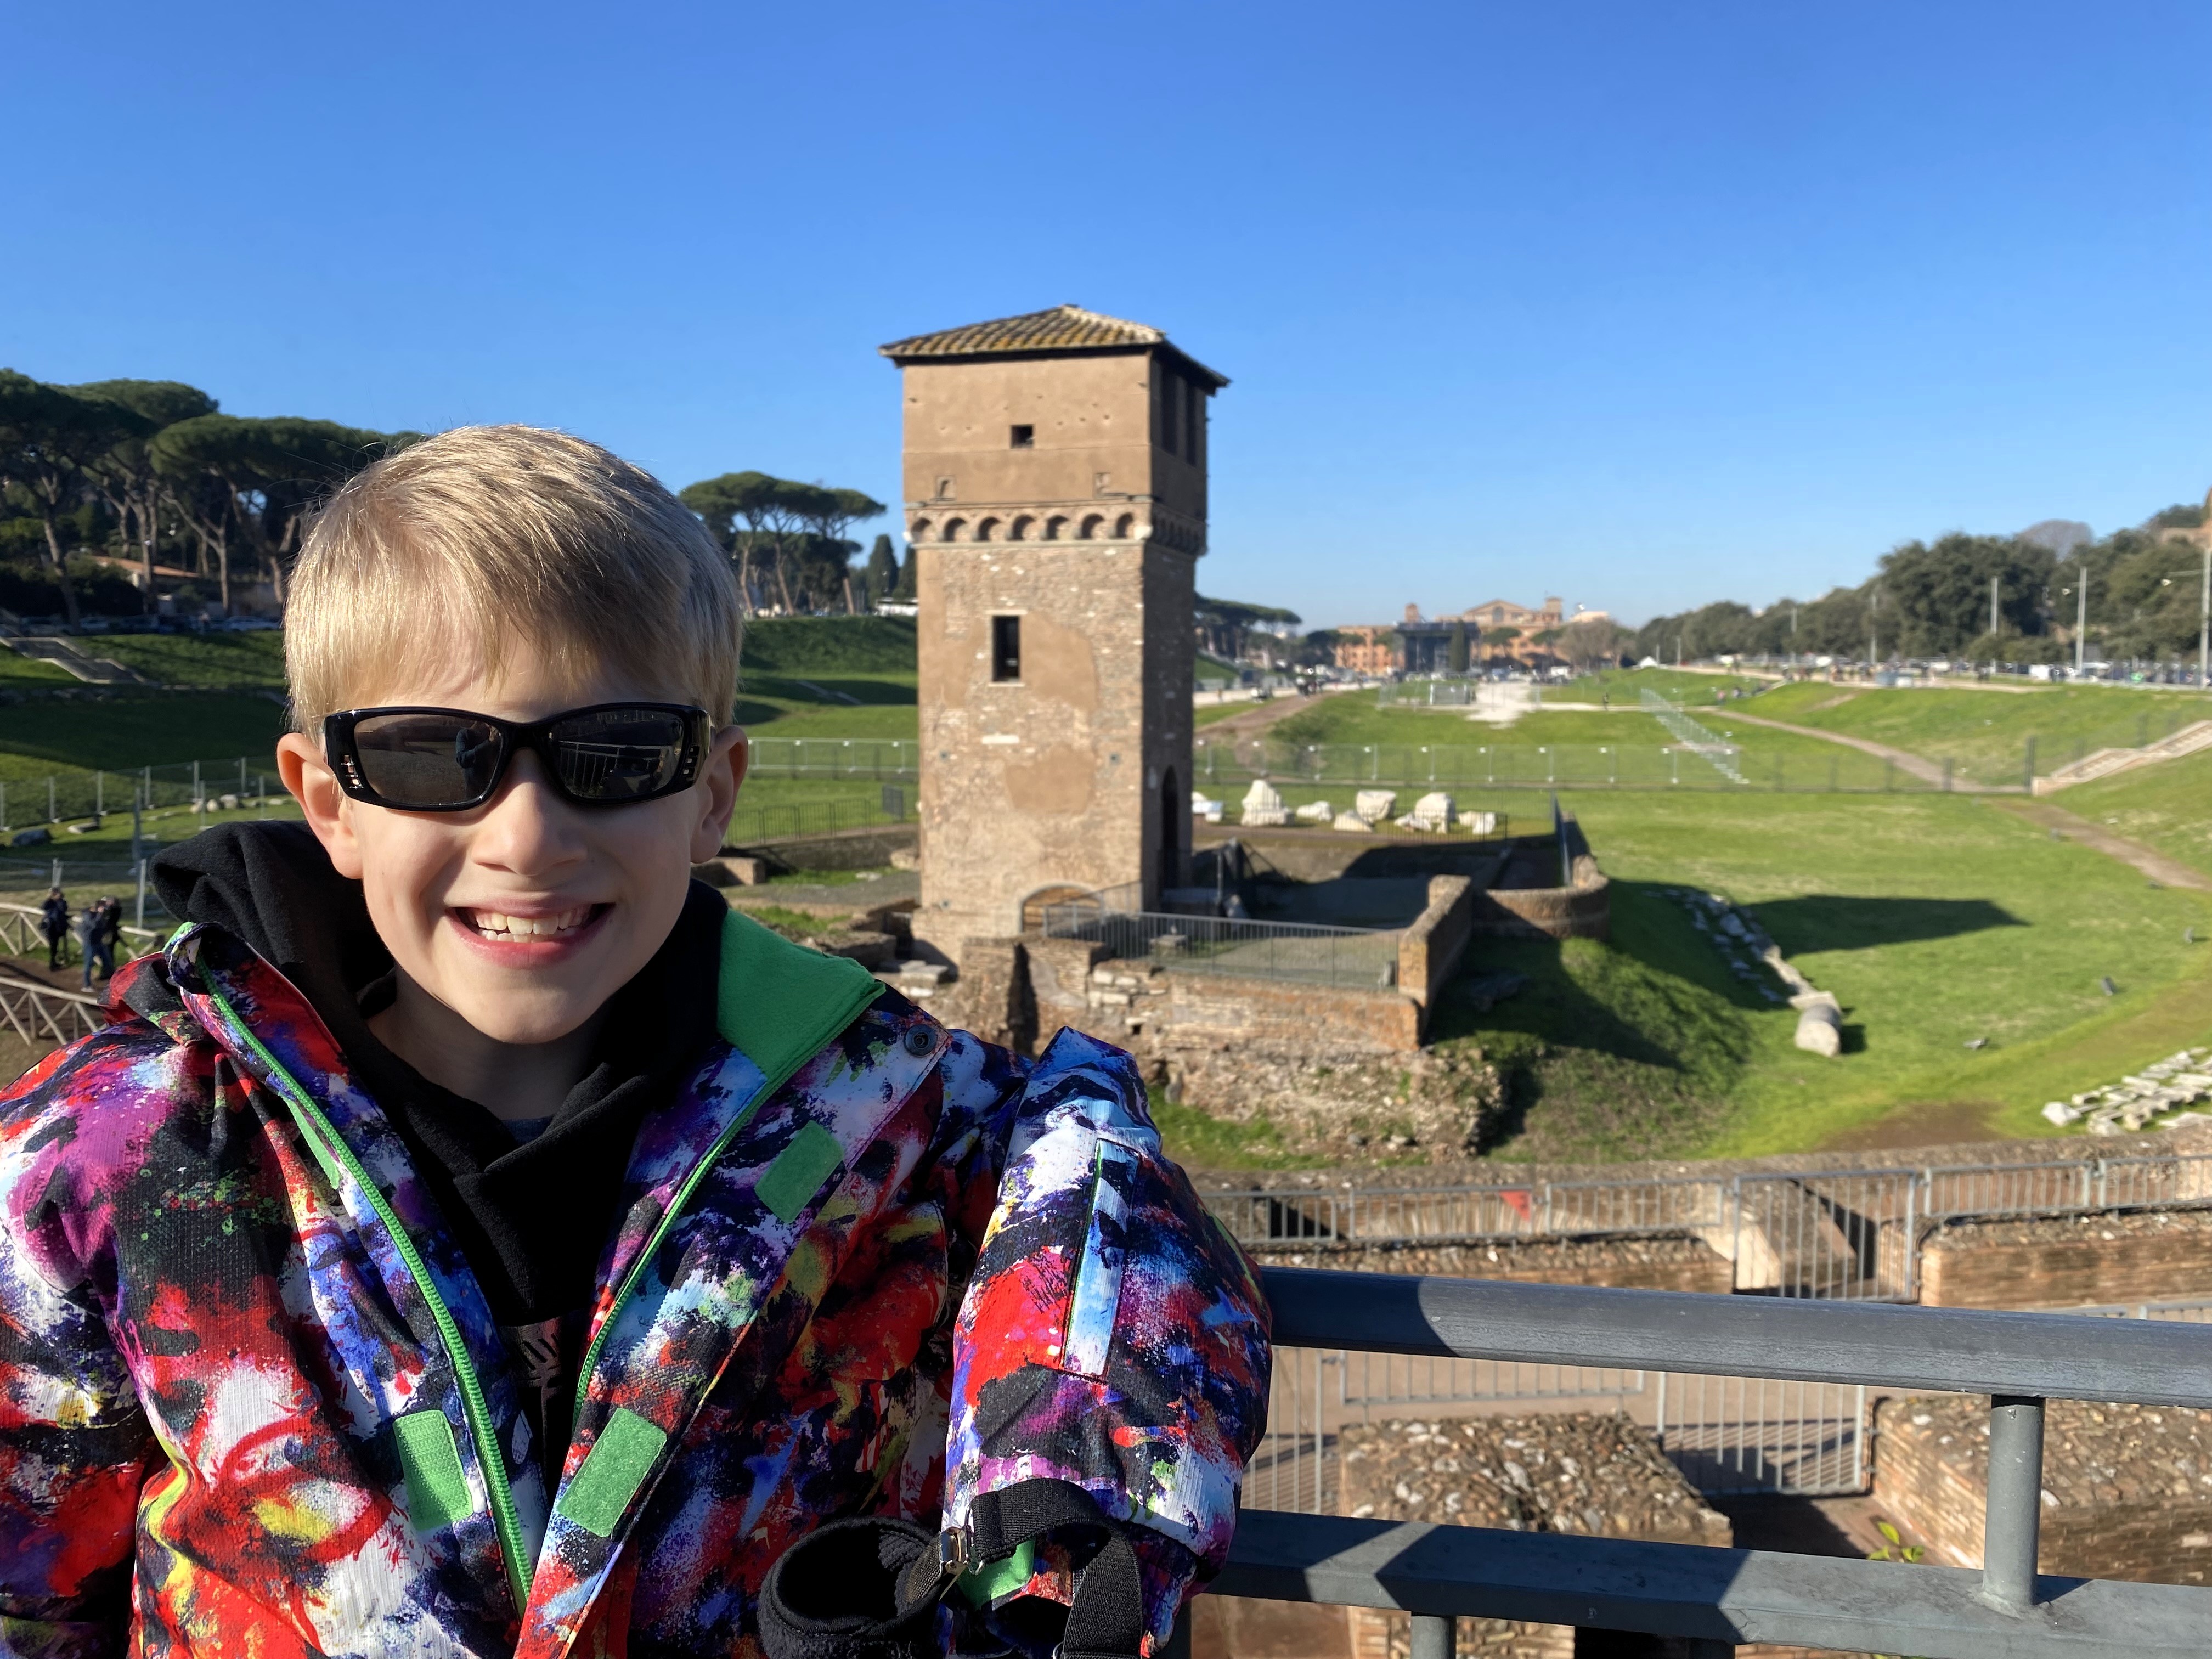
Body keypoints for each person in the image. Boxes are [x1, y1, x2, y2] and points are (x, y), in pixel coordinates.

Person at [0, 426, 1269, 1658]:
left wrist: (1062, 1494)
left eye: (615, 755)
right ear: (328, 803)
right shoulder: (100, 1164)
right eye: (435, 756)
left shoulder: (886, 1115)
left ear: (712, 796)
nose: (526, 837)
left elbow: (1089, 1158)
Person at [38, 886, 67, 970]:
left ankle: (53, 962)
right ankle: (52, 964)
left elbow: (63, 909)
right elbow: (42, 907)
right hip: (50, 927)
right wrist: (49, 899)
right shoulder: (50, 902)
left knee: (55, 945)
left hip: (57, 927)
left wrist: (59, 899)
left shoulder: (62, 902)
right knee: (53, 946)